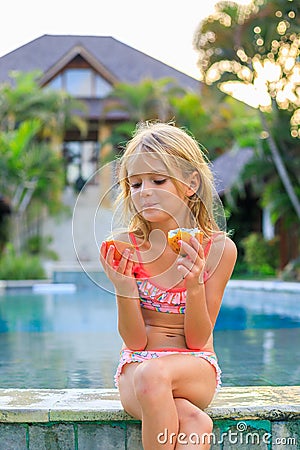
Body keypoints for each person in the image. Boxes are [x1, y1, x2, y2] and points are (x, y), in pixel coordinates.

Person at [100, 121, 237, 450]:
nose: (144, 191)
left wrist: (193, 285)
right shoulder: (124, 246)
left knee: (155, 374)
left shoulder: (218, 250)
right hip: (137, 367)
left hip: (194, 368)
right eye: (134, 184)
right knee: (194, 422)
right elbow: (135, 340)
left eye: (158, 180)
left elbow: (198, 339)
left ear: (190, 183)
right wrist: (123, 285)